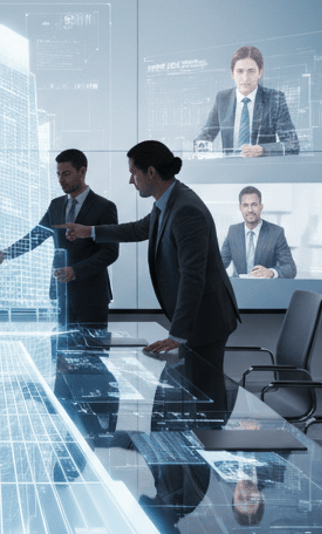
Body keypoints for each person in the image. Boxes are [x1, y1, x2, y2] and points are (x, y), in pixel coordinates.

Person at [62, 139, 239, 369]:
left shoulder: (186, 210)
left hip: (205, 322)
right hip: (196, 320)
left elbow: (193, 276)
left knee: (206, 392)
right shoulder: (167, 201)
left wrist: (177, 334)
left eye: (134, 174)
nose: (130, 180)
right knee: (188, 392)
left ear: (152, 172)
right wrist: (89, 231)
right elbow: (138, 229)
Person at [0, 149, 118, 326]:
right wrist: (5, 254)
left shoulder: (104, 207)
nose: (61, 180)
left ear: (82, 172)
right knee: (60, 348)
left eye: (66, 174)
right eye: (58, 174)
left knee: (93, 350)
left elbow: (110, 252)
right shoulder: (56, 205)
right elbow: (35, 236)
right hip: (61, 294)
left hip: (92, 295)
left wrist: (75, 271)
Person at [194, 45, 299, 157]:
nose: (245, 78)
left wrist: (262, 150)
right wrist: (200, 151)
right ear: (232, 73)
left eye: (251, 71)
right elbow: (205, 136)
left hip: (261, 168)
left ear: (260, 73)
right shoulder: (222, 98)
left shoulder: (275, 99)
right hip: (229, 168)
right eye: (240, 71)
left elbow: (292, 145)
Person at [220, 186, 297, 279]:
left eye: (254, 205)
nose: (250, 210)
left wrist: (271, 272)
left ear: (261, 207)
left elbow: (290, 268)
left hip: (264, 289)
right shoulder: (233, 231)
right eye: (245, 205)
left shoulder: (276, 232)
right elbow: (220, 264)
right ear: (240, 208)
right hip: (238, 289)